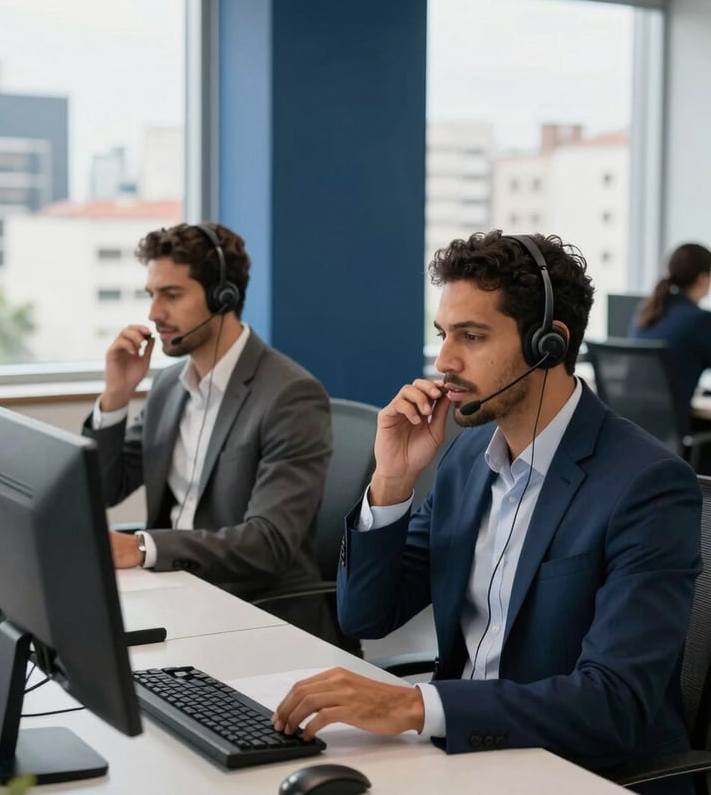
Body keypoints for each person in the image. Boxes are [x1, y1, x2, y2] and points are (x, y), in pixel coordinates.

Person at [272, 230, 701, 795]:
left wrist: (415, 705)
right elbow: (365, 616)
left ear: (549, 343)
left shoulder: (644, 485)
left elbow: (613, 703)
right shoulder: (469, 456)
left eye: (472, 336)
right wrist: (392, 481)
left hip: (578, 773)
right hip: (463, 758)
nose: (445, 360)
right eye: (443, 334)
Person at [83, 222, 337, 643]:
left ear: (224, 296)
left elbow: (268, 543)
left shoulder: (290, 395)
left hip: (253, 612)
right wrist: (116, 396)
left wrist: (145, 547)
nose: (153, 314)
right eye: (152, 295)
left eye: (172, 295)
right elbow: (106, 488)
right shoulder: (169, 385)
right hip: (175, 594)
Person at [631, 242, 711, 412]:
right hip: (669, 431)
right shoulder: (700, 320)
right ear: (703, 278)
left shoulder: (648, 311)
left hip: (637, 427)